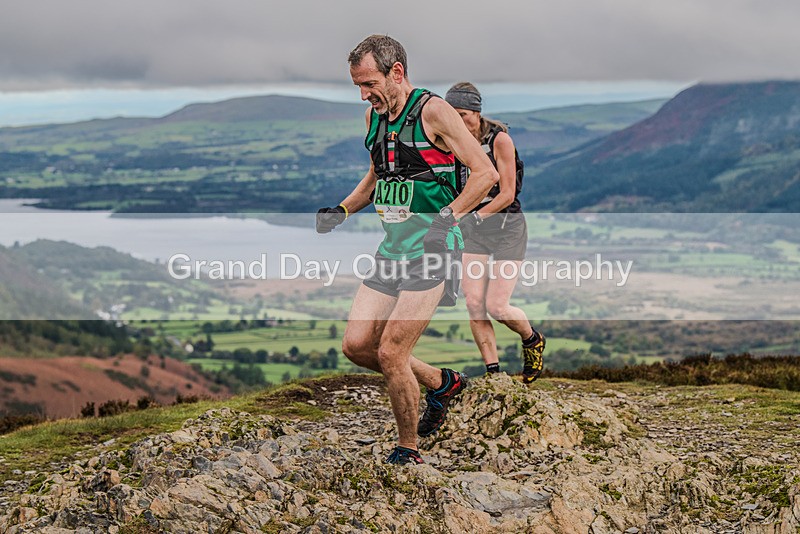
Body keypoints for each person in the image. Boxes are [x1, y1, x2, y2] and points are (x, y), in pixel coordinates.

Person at [316, 35, 499, 465]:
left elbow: (485, 174)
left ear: (396, 71)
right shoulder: (372, 117)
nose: (364, 94)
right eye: (358, 86)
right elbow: (378, 177)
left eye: (369, 83)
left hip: (436, 250)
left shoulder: (433, 111)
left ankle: (409, 449)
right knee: (357, 345)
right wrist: (342, 210)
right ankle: (442, 384)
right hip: (393, 249)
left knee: (392, 352)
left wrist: (447, 218)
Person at [444, 82, 545, 383]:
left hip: (506, 229)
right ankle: (494, 373)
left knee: (497, 306)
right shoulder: (452, 141)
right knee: (474, 302)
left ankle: (531, 339)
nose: (458, 122)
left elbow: (508, 193)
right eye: (453, 115)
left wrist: (472, 217)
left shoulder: (499, 140)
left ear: (476, 112)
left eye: (463, 115)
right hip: (474, 230)